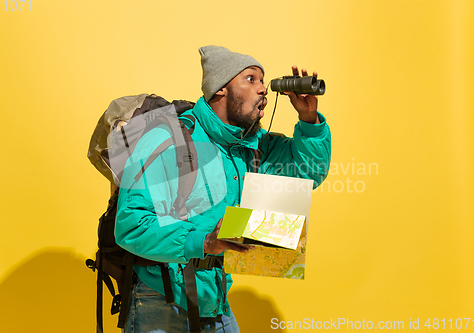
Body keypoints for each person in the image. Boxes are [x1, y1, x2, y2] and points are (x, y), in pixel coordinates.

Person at [115, 45, 331, 333]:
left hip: (214, 297)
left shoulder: (254, 148)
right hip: (160, 300)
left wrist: (309, 121)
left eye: (264, 82)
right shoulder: (168, 139)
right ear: (219, 90)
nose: (263, 89)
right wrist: (204, 242)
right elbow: (130, 227)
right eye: (251, 79)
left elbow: (308, 174)